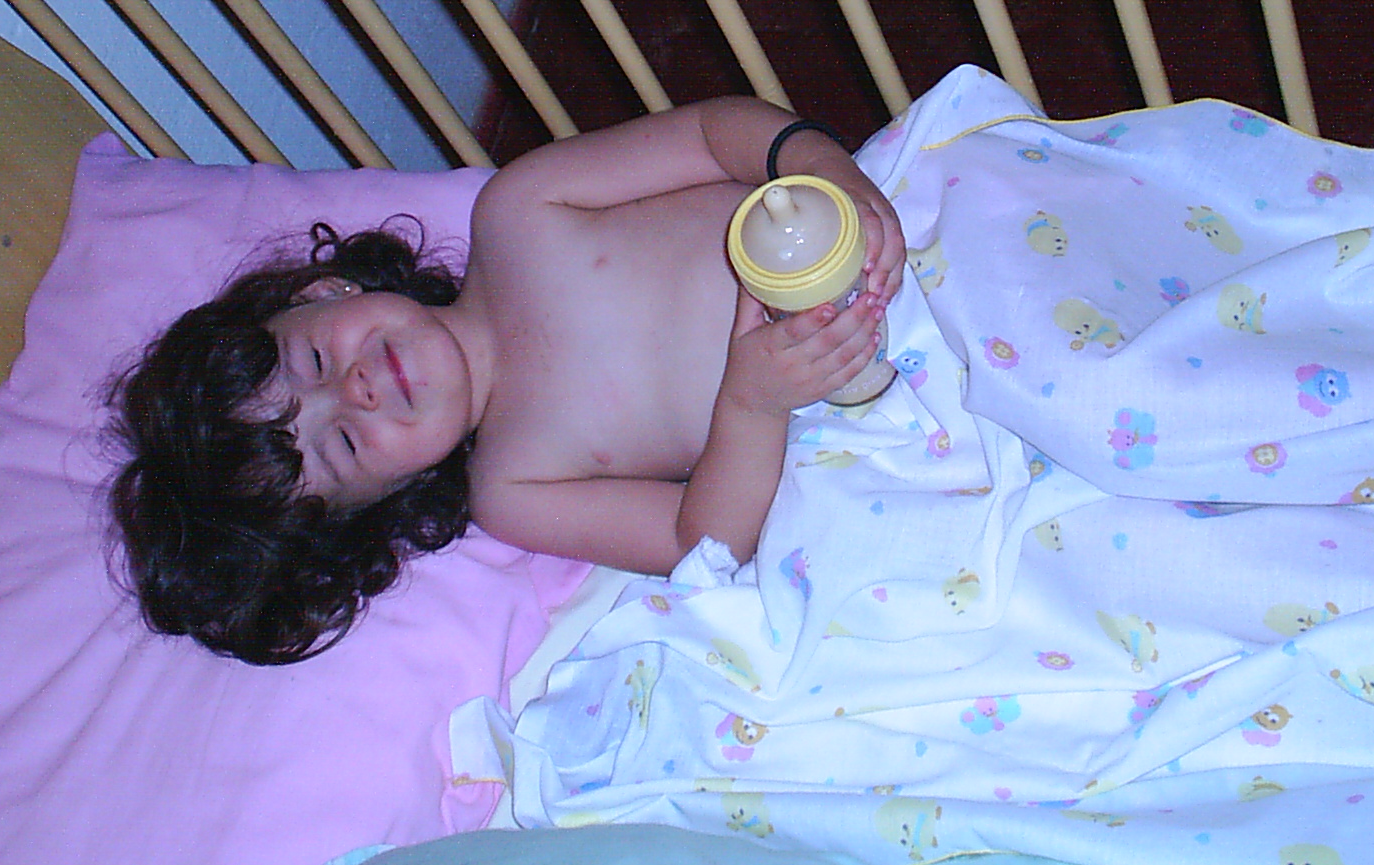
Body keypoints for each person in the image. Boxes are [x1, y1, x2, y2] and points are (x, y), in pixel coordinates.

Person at [111, 98, 906, 664]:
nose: (356, 390)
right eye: (346, 442)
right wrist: (753, 403)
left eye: (315, 361)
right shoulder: (513, 488)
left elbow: (710, 133)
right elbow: (704, 543)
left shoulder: (519, 209)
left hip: (888, 221)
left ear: (326, 292)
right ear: (386, 493)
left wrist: (824, 168)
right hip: (870, 409)